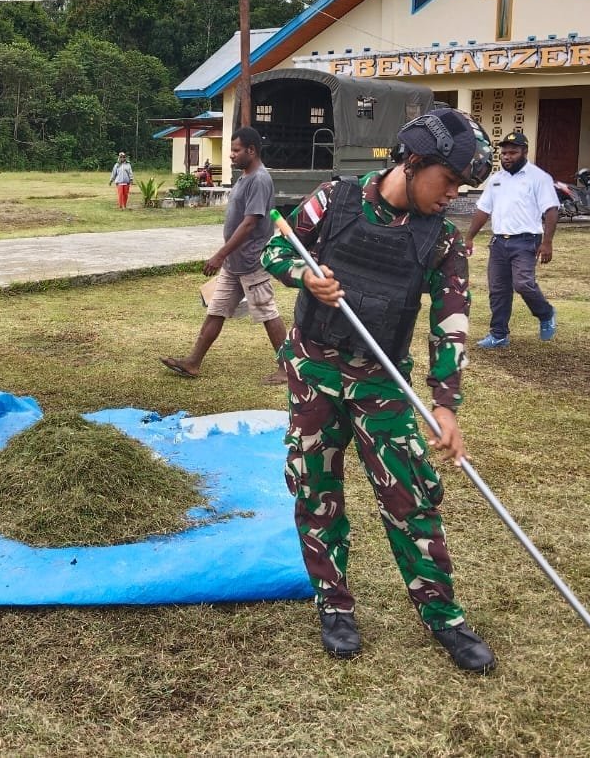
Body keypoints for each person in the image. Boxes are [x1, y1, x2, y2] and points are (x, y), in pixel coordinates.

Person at [261, 108, 498, 673]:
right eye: (449, 181)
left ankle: (443, 617)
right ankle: (334, 606)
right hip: (314, 370)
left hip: (382, 381)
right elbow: (276, 248)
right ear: (413, 162)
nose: (454, 196)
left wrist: (446, 405)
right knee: (316, 490)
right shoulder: (335, 199)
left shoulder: (441, 239)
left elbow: (452, 321)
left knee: (410, 497)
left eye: (464, 188)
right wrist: (304, 277)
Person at [161, 125, 288, 386]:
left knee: (268, 313)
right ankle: (193, 363)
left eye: (236, 150)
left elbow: (250, 223)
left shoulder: (260, 179)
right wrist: (226, 258)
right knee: (216, 311)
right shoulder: (244, 177)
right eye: (231, 150)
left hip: (252, 261)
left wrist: (219, 255)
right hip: (234, 263)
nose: (231, 155)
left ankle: (286, 369)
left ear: (251, 151)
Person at [464, 130, 559, 348]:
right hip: (499, 242)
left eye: (513, 153)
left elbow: (551, 210)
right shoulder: (496, 180)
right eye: (504, 153)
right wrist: (469, 237)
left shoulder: (539, 178)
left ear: (524, 152)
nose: (507, 157)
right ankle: (499, 334)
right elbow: (483, 210)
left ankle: (545, 313)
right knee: (498, 290)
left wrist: (547, 242)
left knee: (523, 283)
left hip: (526, 241)